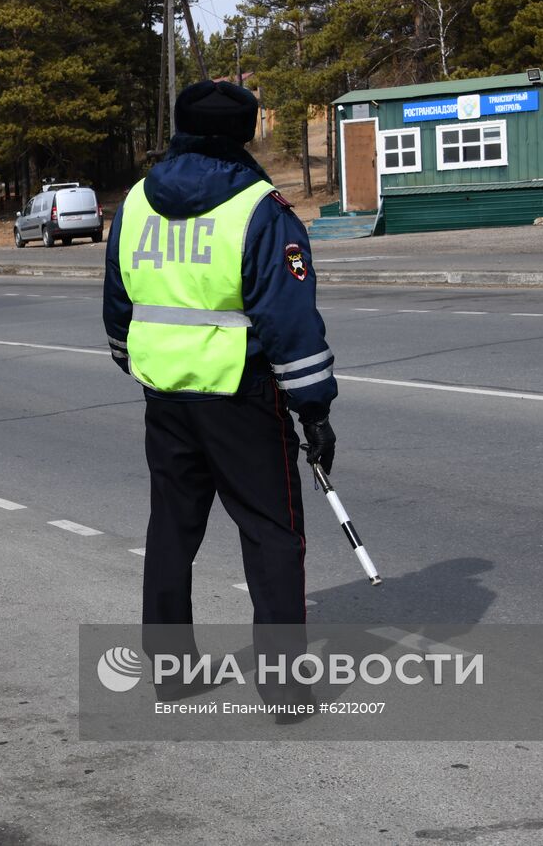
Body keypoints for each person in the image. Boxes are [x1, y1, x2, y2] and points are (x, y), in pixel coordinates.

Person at [102, 80, 337, 708]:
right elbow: (288, 321)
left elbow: (119, 302)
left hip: (166, 395)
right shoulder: (259, 207)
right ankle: (285, 688)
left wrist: (138, 361)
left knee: (172, 530)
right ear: (244, 132)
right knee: (272, 534)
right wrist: (313, 408)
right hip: (241, 393)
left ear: (180, 126)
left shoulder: (135, 203)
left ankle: (173, 673)